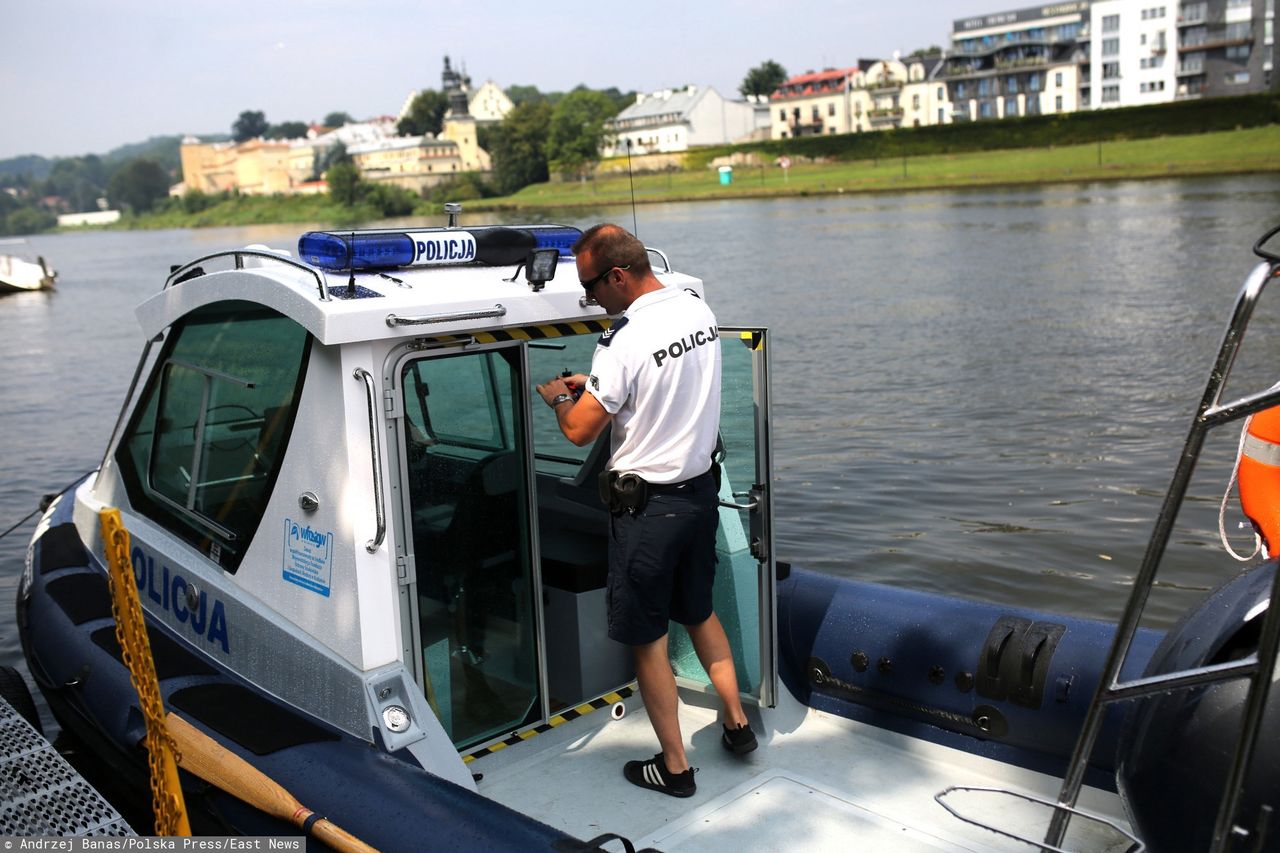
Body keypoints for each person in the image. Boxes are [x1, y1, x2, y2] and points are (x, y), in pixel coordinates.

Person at [535, 223, 757, 799]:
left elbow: (582, 431)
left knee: (649, 640)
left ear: (617, 275)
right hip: (699, 495)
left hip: (648, 513)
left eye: (590, 287)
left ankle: (676, 768)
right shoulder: (696, 310)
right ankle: (737, 724)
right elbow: (661, 382)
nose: (589, 299)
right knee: (700, 612)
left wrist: (561, 396)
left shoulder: (622, 339)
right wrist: (602, 385)